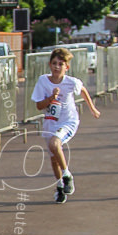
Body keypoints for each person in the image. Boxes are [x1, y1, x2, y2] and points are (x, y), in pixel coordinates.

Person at [31, 47, 101, 204]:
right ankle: (60, 186)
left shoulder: (71, 82)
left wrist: (93, 109)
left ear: (66, 67)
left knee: (55, 144)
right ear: (50, 65)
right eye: (54, 63)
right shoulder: (43, 81)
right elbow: (38, 106)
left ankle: (68, 176)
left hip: (68, 121)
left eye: (61, 64)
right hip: (50, 123)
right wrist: (51, 98)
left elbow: (83, 90)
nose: (57, 67)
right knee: (54, 159)